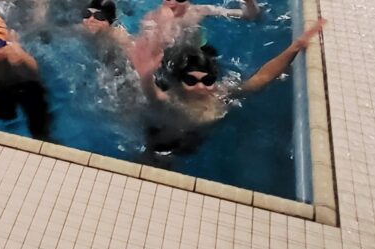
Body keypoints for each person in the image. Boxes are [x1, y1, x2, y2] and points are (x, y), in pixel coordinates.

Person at [129, 17, 325, 157]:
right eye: (191, 81)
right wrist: (146, 75)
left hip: (196, 136)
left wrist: (295, 47)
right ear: (179, 83)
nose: (201, 87)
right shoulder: (172, 99)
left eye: (207, 81)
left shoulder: (222, 94)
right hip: (164, 136)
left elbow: (261, 78)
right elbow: (152, 94)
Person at [136, 0, 260, 54]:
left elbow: (249, 16)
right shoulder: (151, 18)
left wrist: (249, 0)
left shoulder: (199, 12)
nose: (171, 2)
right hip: (167, 58)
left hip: (198, 53)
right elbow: (146, 53)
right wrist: (164, 26)